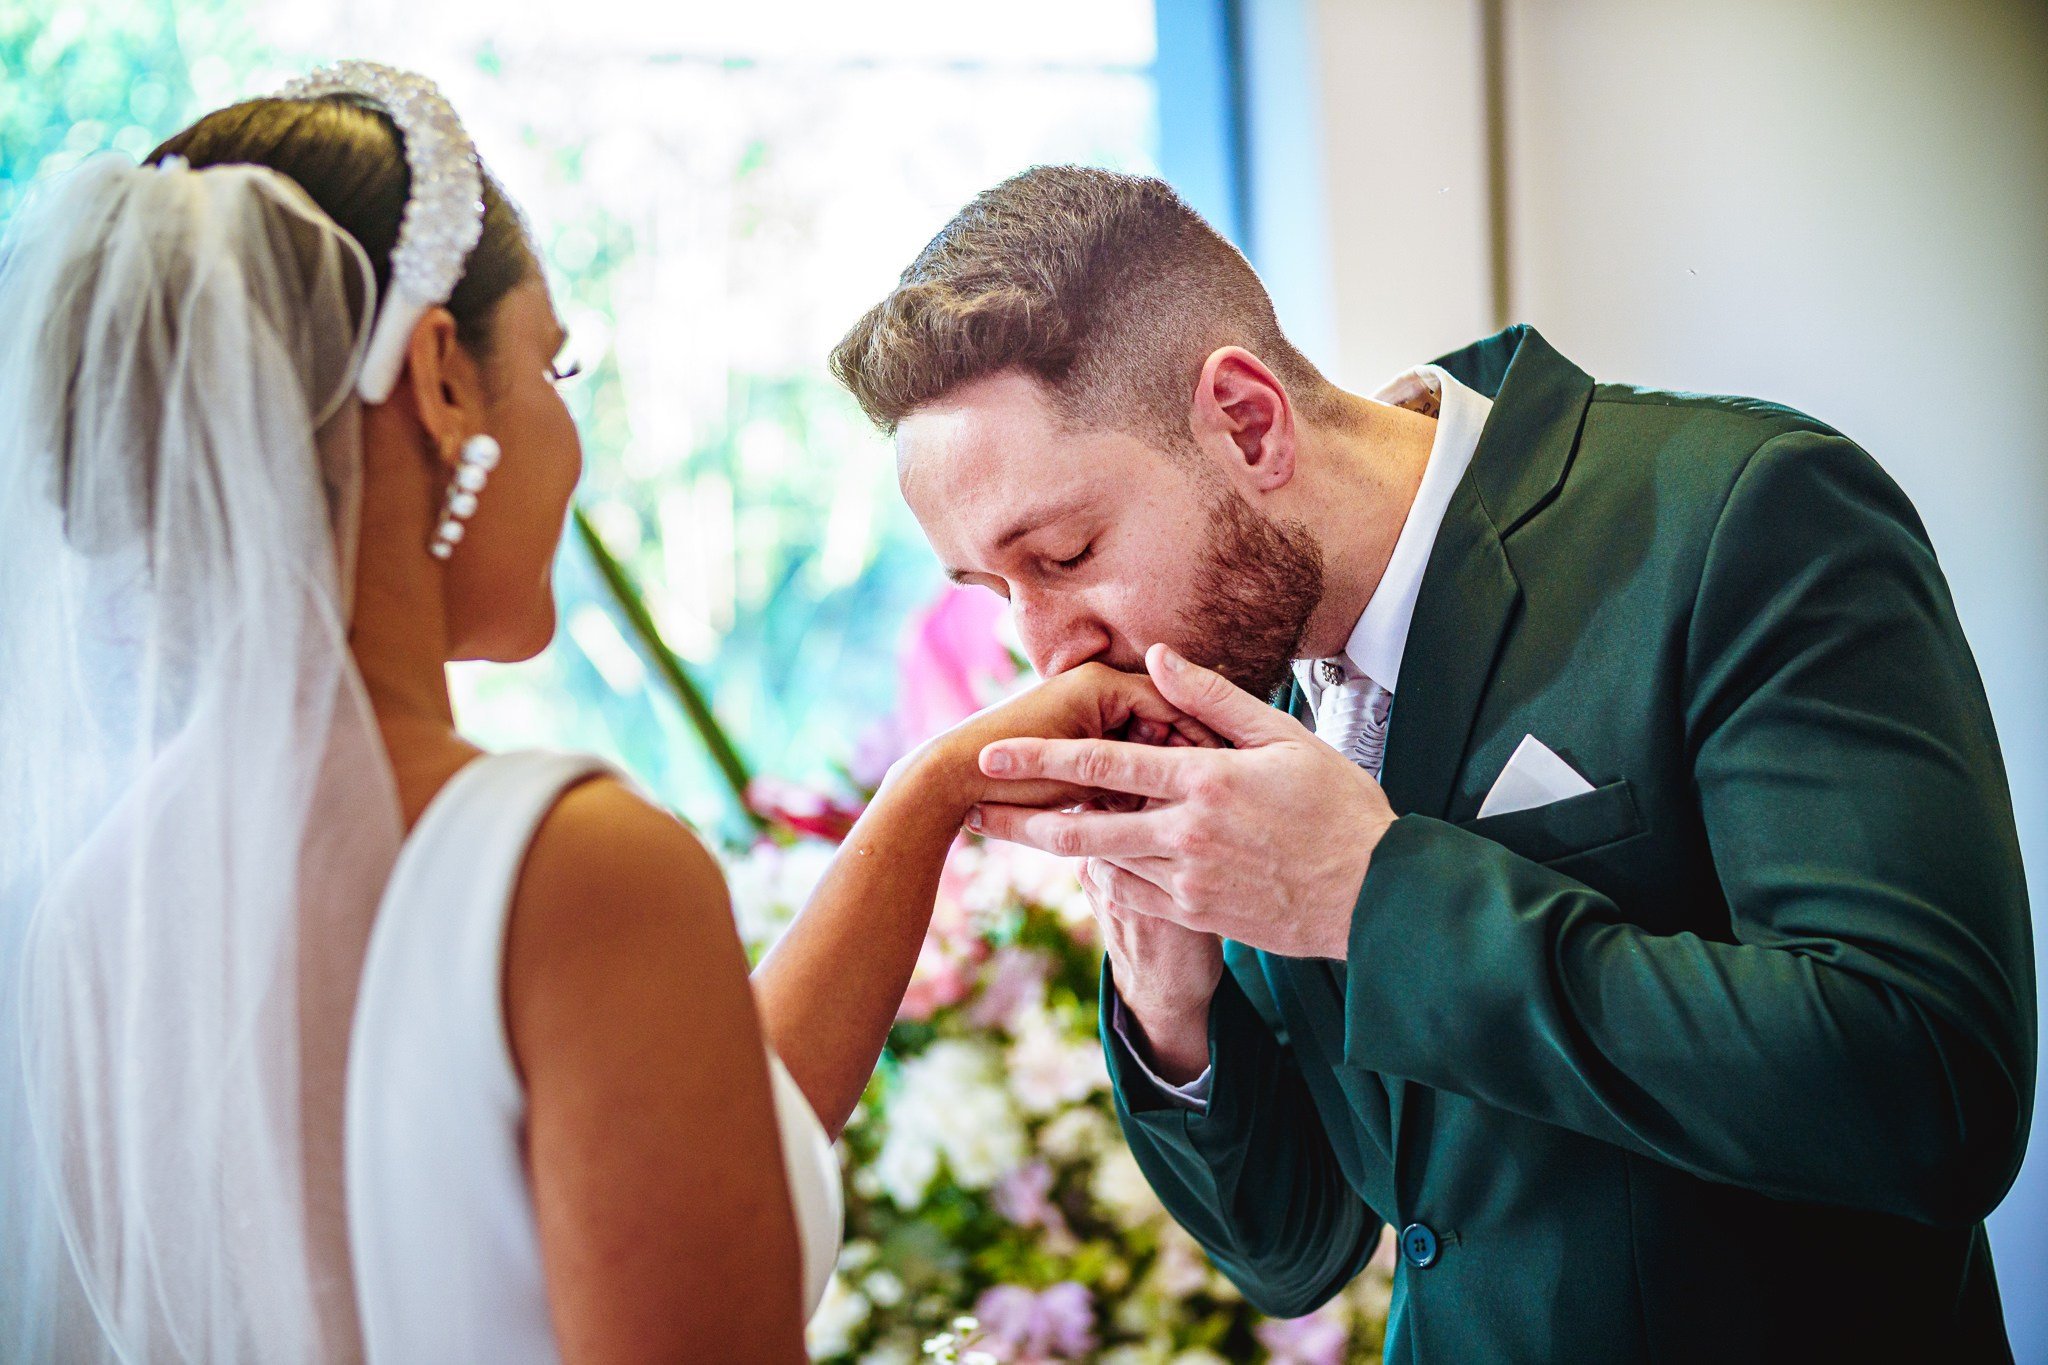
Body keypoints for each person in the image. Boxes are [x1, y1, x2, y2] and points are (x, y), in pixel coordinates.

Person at [0, 69, 1205, 1364]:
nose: (570, 431)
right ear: (441, 380)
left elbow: (683, 1148)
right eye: (553, 364)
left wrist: (931, 796)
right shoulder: (568, 865)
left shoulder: (80, 917)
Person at [830, 166, 2038, 1361]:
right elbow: (1295, 1248)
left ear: (1247, 422)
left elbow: (1929, 1093)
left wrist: (1372, 898)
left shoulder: (1738, 514)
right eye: (992, 590)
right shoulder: (1232, 668)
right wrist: (1169, 988)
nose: (1042, 647)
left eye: (1063, 551)